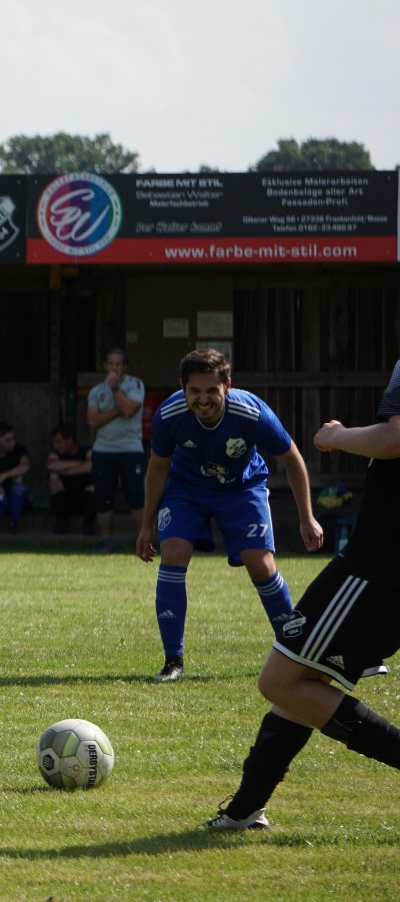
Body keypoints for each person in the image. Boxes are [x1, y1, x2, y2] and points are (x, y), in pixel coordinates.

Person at [205, 360, 400, 832]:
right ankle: (244, 810)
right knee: (302, 678)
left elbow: (395, 439)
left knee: (280, 680)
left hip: (376, 565)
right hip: (379, 563)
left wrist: (337, 436)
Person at [137, 349, 322, 683]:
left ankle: (297, 652)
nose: (203, 399)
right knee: (173, 553)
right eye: (194, 391)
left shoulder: (253, 413)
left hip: (241, 487)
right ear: (182, 387)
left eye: (212, 390)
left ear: (227, 385)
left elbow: (292, 460)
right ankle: (173, 661)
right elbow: (158, 468)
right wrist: (146, 526)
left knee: (260, 563)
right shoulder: (169, 414)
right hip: (186, 489)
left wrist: (307, 517)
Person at [86, 348, 147, 554]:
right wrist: (117, 410)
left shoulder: (135, 384)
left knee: (136, 495)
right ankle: (106, 541)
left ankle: (142, 542)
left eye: (118, 364)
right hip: (103, 450)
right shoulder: (96, 391)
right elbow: (93, 421)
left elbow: (130, 410)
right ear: (105, 365)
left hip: (131, 449)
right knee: (103, 496)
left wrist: (114, 389)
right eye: (110, 364)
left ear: (125, 366)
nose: (114, 368)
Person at [45, 423, 96, 536]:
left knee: (94, 485)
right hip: (65, 498)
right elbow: (51, 465)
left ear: (69, 440)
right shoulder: (55, 454)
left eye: (59, 442)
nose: (55, 446)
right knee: (53, 477)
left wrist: (65, 470)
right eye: (54, 442)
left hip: (85, 498)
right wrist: (81, 464)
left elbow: (92, 465)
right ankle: (62, 522)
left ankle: (88, 524)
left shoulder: (86, 450)